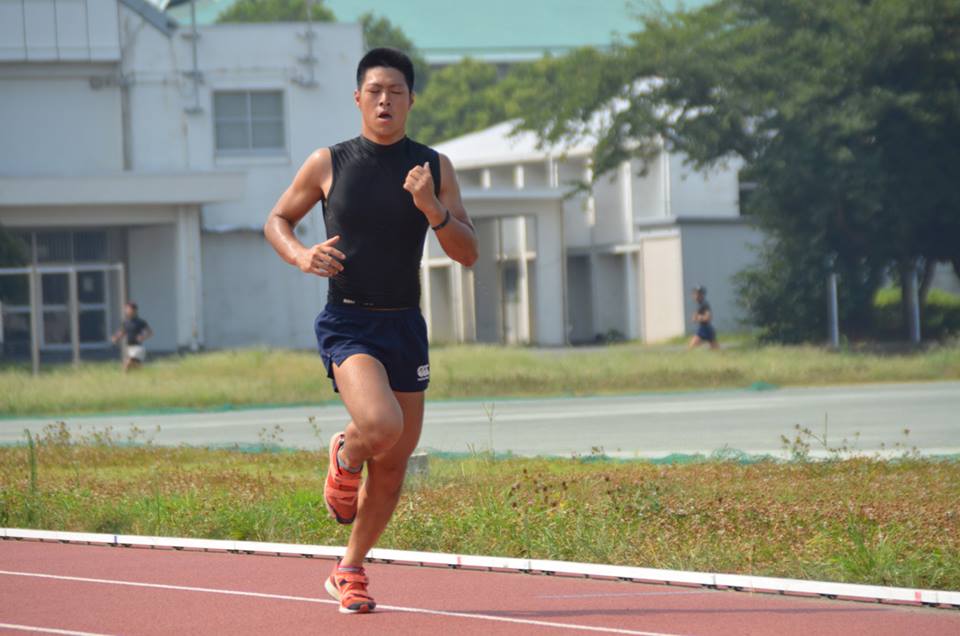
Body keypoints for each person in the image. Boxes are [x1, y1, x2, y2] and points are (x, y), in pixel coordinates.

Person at [263, 48, 478, 614]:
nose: (386, 101)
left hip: (404, 322)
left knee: (394, 465)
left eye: (396, 92)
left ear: (411, 100)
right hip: (350, 319)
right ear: (358, 98)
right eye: (375, 91)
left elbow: (468, 252)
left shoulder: (434, 167)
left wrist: (431, 208)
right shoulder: (328, 162)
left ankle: (349, 569)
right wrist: (300, 255)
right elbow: (277, 220)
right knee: (381, 426)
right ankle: (346, 450)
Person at [111, 301, 153, 371]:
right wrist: (116, 338)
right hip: (129, 347)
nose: (127, 311)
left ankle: (125, 375)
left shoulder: (140, 322)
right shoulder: (125, 322)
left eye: (129, 309)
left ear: (135, 310)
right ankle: (139, 372)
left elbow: (150, 333)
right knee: (134, 367)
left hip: (138, 348)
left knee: (128, 364)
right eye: (126, 309)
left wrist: (143, 337)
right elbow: (122, 332)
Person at [688, 286, 719, 350]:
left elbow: (709, 317)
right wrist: (695, 318)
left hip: (705, 329)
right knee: (716, 349)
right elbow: (694, 318)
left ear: (702, 295)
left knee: (691, 347)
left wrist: (699, 318)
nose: (695, 296)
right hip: (706, 328)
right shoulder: (699, 304)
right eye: (694, 294)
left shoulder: (704, 304)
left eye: (697, 294)